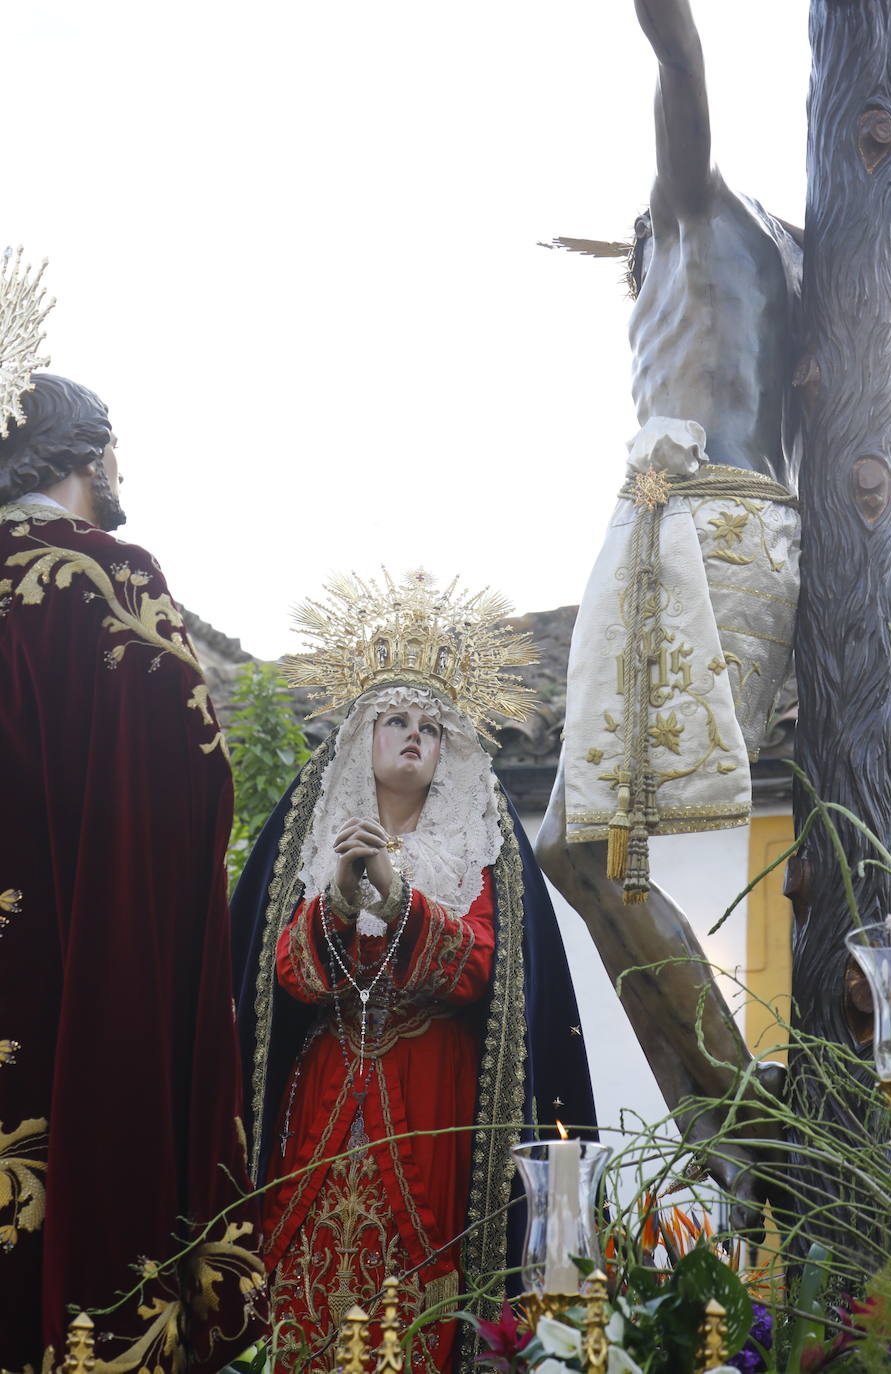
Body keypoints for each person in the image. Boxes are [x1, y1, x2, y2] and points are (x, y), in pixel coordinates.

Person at [537, 0, 802, 1224]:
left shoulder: (699, 209)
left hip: (716, 525)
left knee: (600, 846)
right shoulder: (694, 260)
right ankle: (718, 1128)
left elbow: (678, 52)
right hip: (660, 522)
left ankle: (757, 1129)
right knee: (564, 849)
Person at [231, 569, 596, 1374]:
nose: (411, 738)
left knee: (423, 1268)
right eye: (394, 720)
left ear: (448, 748)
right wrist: (333, 905)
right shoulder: (312, 826)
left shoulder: (479, 842)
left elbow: (488, 975)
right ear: (363, 734)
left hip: (435, 1092)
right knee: (306, 1265)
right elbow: (278, 981)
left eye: (429, 728)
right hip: (326, 1088)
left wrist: (403, 904)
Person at [0, 365, 265, 1368]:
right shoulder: (108, 576)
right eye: (114, 446)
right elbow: (185, 791)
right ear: (87, 454)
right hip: (74, 967)